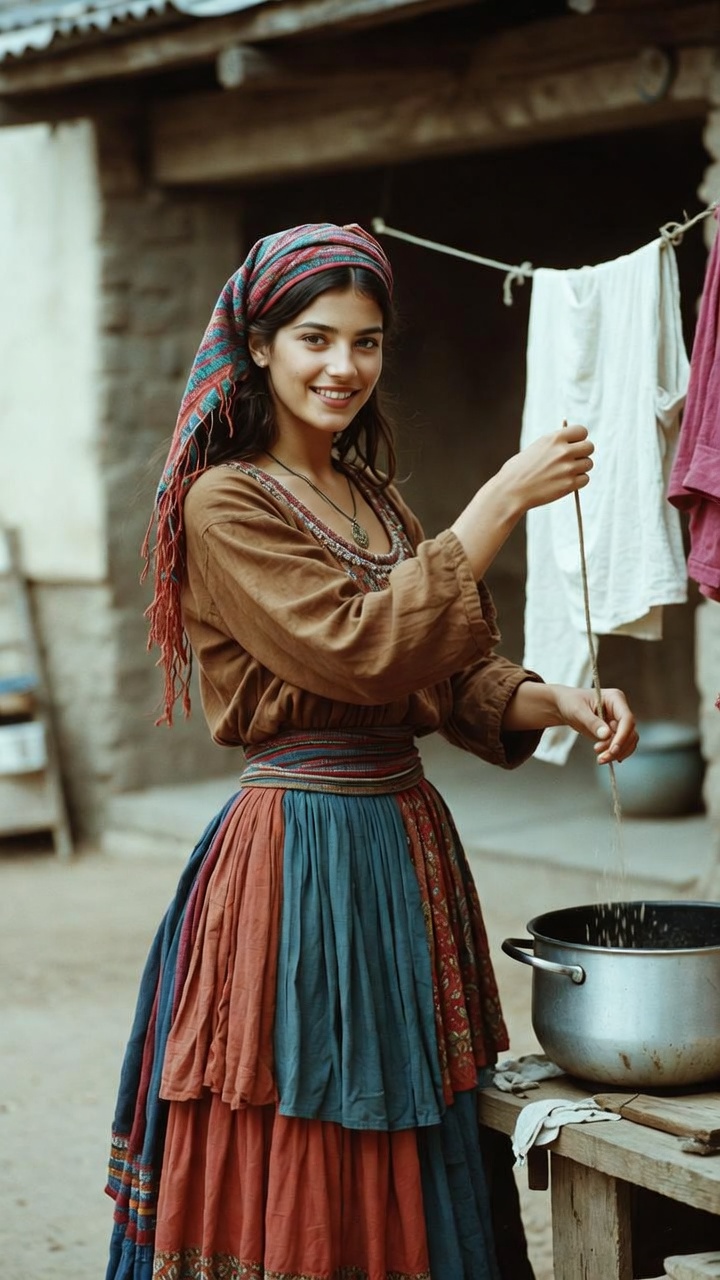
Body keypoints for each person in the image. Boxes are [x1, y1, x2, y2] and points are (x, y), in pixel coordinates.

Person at [104, 222, 638, 1280]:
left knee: (407, 1094)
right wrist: (501, 500)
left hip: (403, 842)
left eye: (367, 341)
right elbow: (359, 649)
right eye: (315, 338)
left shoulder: (373, 497)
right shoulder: (224, 502)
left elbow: (433, 668)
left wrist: (552, 699)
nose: (343, 366)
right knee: (311, 1093)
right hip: (300, 853)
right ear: (259, 344)